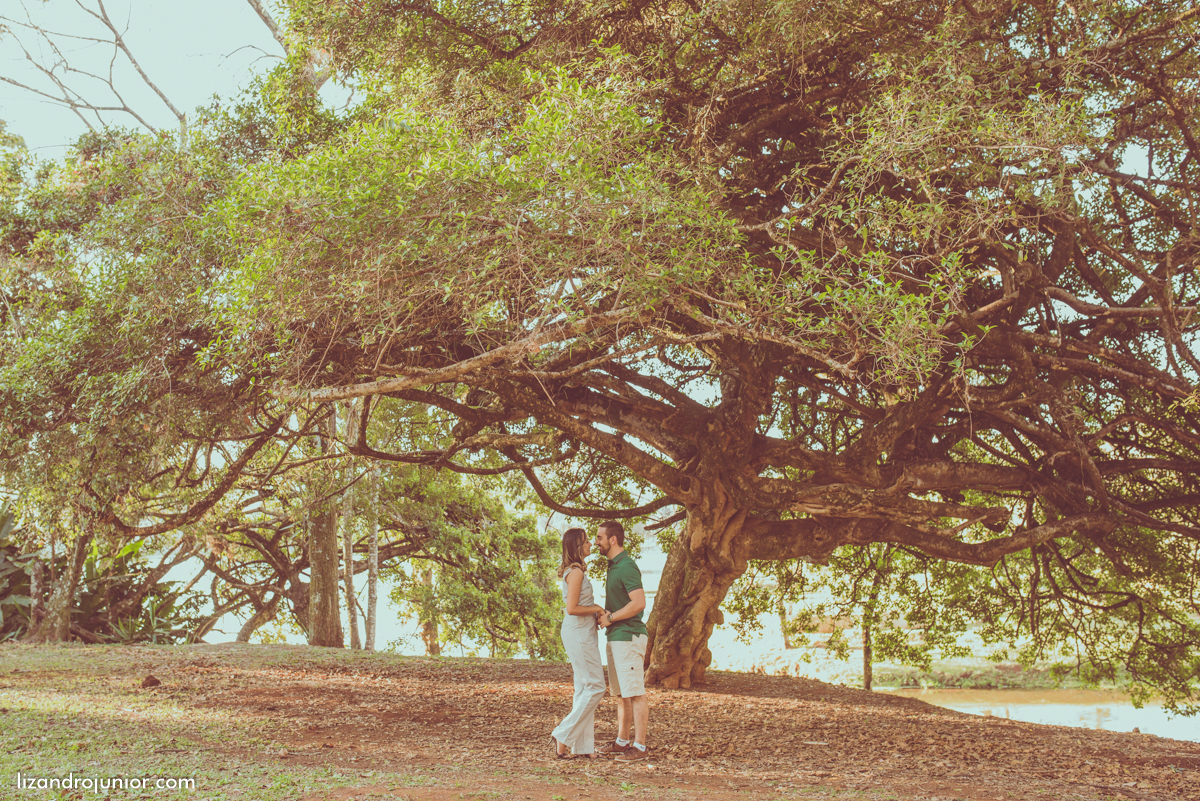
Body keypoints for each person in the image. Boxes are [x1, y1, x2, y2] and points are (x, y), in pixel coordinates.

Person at [594, 521, 649, 762]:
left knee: (635, 693)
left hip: (628, 636)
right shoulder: (613, 566)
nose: (596, 542)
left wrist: (612, 617)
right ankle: (622, 742)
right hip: (616, 637)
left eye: (599, 538)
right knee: (621, 694)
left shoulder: (626, 566)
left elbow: (639, 603)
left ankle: (640, 747)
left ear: (612, 539)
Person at [550, 527, 607, 759]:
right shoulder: (576, 573)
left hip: (582, 632)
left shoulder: (576, 571)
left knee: (584, 688)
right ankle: (563, 735)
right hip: (578, 632)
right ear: (576, 546)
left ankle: (582, 748)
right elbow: (572, 609)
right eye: (586, 542)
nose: (590, 545)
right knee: (596, 686)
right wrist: (597, 608)